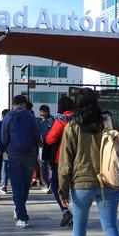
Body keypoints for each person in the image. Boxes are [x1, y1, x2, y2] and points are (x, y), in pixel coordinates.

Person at [59, 88, 119, 236]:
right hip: (109, 181)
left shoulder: (71, 127)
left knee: (79, 224)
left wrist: (62, 191)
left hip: (81, 183)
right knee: (111, 226)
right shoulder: (108, 123)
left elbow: (65, 164)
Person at [1, 95, 40, 228]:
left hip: (14, 154)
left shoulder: (8, 118)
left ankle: (22, 216)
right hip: (29, 154)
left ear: (13, 104)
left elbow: (4, 139)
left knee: (16, 185)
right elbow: (37, 136)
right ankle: (19, 209)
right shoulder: (31, 116)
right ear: (24, 104)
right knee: (25, 185)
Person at [45, 95, 75, 227]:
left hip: (60, 159)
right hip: (77, 159)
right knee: (75, 187)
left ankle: (65, 211)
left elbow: (50, 139)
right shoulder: (79, 119)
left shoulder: (61, 120)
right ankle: (75, 214)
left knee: (58, 186)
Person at [38, 104, 55, 192]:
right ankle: (49, 184)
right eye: (41, 114)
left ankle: (47, 184)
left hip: (45, 146)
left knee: (45, 165)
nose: (42, 115)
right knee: (48, 165)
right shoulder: (53, 120)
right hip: (48, 146)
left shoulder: (42, 121)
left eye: (43, 113)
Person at [0, 108, 11, 194]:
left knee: (5, 167)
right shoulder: (12, 123)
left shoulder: (2, 124)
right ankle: (5, 185)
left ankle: (4, 186)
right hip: (12, 149)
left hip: (4, 149)